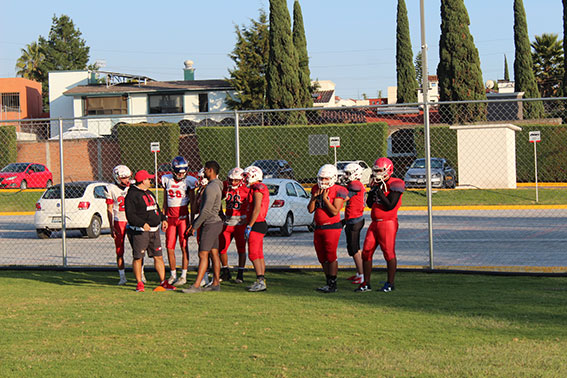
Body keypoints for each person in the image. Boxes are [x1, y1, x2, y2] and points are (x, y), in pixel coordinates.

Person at [357, 157, 404, 293]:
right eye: (375, 170)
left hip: (388, 223)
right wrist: (372, 193)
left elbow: (390, 205)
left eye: (380, 170)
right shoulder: (377, 184)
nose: (377, 173)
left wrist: (379, 193)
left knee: (388, 253)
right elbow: (371, 205)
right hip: (375, 223)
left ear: (388, 170)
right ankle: (366, 283)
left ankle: (390, 283)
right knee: (366, 252)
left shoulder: (396, 183)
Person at [125, 170, 175, 292]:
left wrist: (163, 219)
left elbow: (156, 208)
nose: (150, 181)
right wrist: (141, 223)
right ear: (142, 181)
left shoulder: (148, 193)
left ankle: (163, 282)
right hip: (140, 232)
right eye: (148, 179)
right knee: (138, 257)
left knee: (158, 256)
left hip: (154, 231)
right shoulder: (132, 195)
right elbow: (130, 215)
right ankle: (139, 283)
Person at [182, 161, 224, 293]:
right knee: (214, 253)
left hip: (210, 223)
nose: (204, 172)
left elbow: (206, 211)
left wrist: (195, 225)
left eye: (205, 170)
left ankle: (196, 285)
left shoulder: (211, 188)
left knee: (203, 254)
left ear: (210, 170)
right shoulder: (218, 185)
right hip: (216, 223)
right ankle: (215, 283)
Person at [307, 164, 347, 293]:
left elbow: (335, 211)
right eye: (321, 178)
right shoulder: (315, 189)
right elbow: (310, 210)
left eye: (326, 179)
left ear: (333, 178)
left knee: (330, 255)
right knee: (321, 256)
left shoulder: (338, 190)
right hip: (318, 227)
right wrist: (314, 198)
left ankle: (333, 283)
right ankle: (328, 281)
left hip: (332, 227)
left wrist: (325, 199)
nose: (323, 181)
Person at [161, 156, 197, 287]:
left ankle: (184, 275)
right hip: (170, 218)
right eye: (179, 172)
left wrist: (192, 221)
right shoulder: (166, 180)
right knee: (169, 247)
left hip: (183, 218)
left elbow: (192, 203)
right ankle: (173, 274)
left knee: (183, 246)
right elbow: (165, 201)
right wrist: (163, 218)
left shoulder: (189, 181)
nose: (181, 175)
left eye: (183, 172)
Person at [219, 167, 249, 283]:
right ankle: (226, 271)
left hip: (240, 223)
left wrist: (248, 219)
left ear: (241, 180)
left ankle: (240, 274)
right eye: (231, 180)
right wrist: (221, 212)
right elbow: (217, 199)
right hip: (228, 222)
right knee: (222, 248)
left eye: (236, 180)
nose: (233, 182)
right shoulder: (226, 186)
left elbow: (251, 205)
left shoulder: (246, 190)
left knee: (241, 249)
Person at [242, 165, 269, 292]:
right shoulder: (255, 188)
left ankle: (260, 280)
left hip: (257, 223)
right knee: (258, 254)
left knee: (253, 254)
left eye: (246, 176)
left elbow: (257, 208)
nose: (245, 179)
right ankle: (261, 280)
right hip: (258, 223)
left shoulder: (258, 188)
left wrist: (249, 225)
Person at [106, 165, 133, 285]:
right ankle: (122, 276)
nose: (127, 180)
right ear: (117, 178)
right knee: (119, 250)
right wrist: (111, 226)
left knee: (137, 249)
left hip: (132, 219)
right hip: (119, 220)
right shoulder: (110, 188)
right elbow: (109, 208)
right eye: (124, 178)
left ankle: (141, 273)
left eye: (128, 177)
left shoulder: (132, 186)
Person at [341, 163, 366, 285]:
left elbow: (344, 198)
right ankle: (359, 273)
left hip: (355, 220)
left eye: (348, 174)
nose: (345, 176)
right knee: (354, 248)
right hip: (353, 219)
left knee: (354, 248)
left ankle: (362, 275)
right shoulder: (354, 184)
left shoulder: (355, 184)